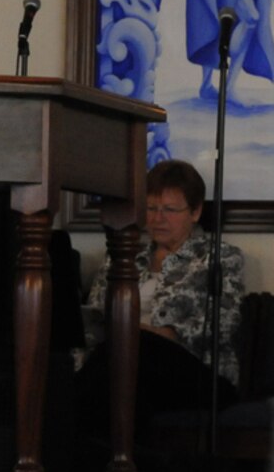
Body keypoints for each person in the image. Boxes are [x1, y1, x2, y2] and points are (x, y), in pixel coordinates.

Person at [79, 159, 246, 434]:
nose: (158, 219)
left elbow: (218, 328)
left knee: (130, 350)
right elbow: (95, 318)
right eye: (152, 209)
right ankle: (118, 467)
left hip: (194, 373)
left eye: (170, 210)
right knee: (113, 380)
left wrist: (134, 333)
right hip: (122, 365)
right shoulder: (123, 257)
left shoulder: (219, 258)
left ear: (195, 212)